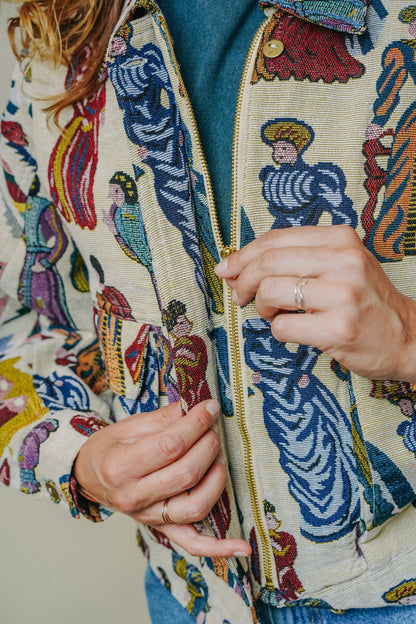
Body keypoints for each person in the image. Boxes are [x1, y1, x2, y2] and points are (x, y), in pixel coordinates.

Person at [2, 1, 416, 623]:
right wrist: (80, 459)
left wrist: (408, 337)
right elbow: (21, 321)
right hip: (191, 601)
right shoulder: (57, 41)